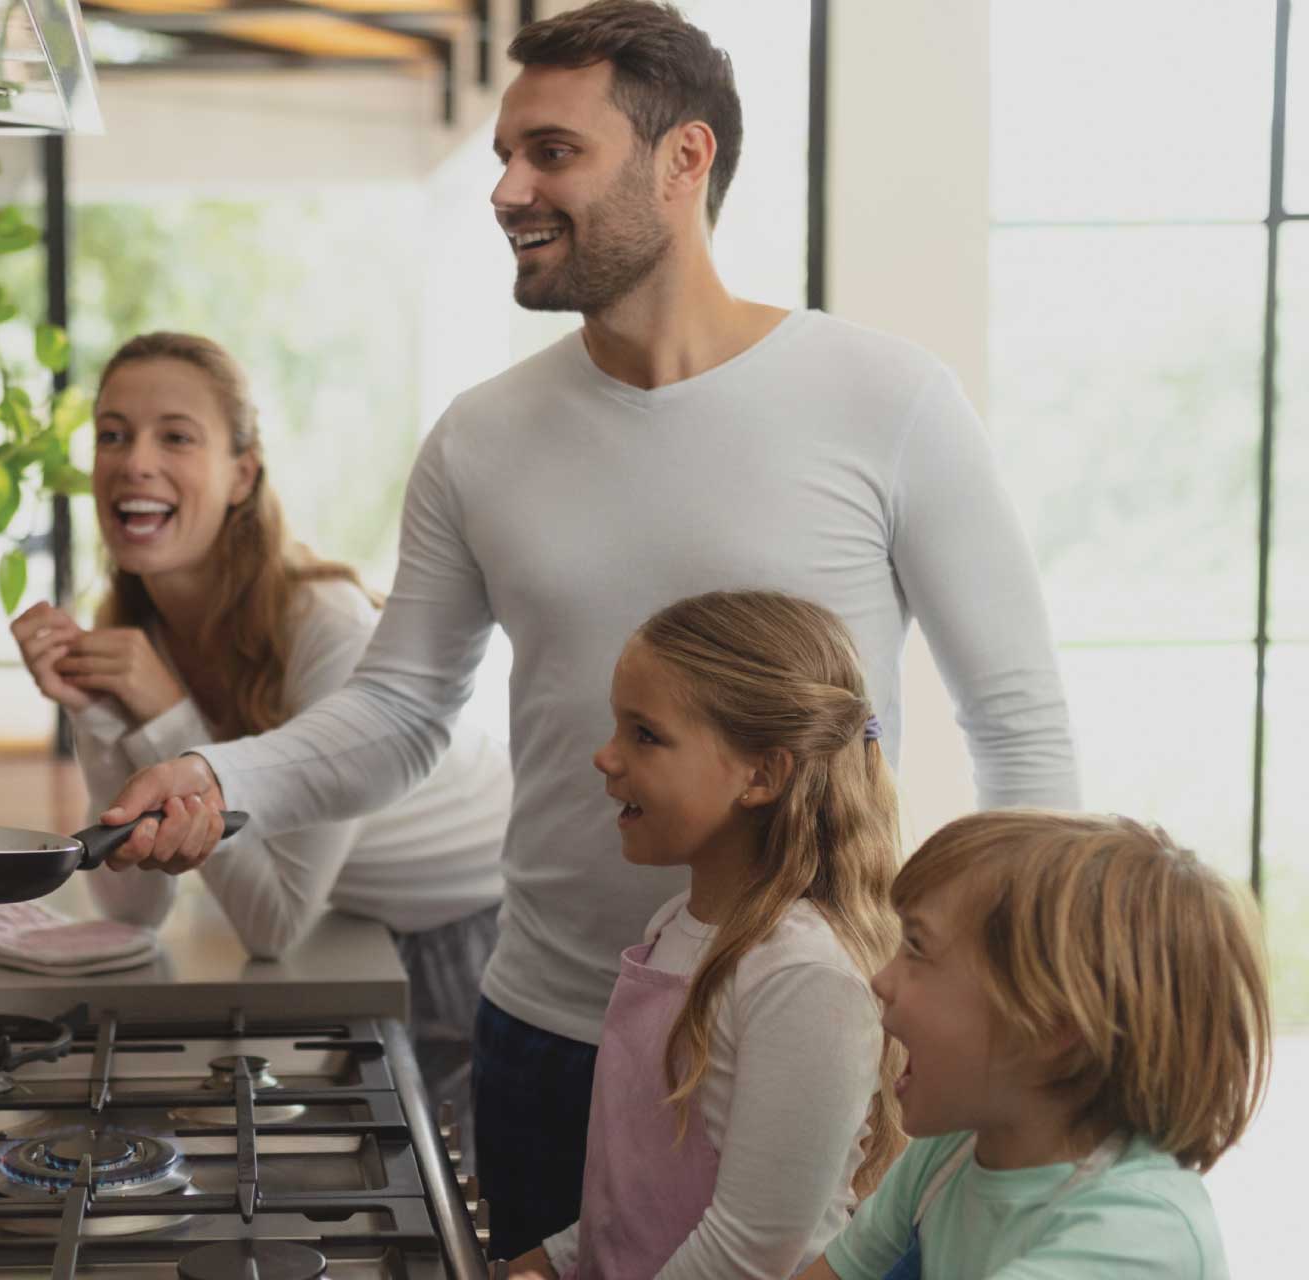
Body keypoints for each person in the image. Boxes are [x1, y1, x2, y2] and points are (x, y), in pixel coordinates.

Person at [95, 0, 1079, 1256]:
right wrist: (216, 778)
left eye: (552, 151)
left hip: (812, 1033)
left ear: (686, 159)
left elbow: (1017, 719)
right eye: (506, 153)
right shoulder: (481, 436)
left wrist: (1024, 993)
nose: (507, 187)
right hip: (553, 1024)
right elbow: (401, 709)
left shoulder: (886, 400)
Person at [9, 331, 512, 1132]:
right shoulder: (141, 629)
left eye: (175, 435)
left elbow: (273, 924)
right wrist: (95, 708)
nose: (133, 460)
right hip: (357, 922)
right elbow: (132, 907)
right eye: (112, 434)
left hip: (472, 932)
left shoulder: (326, 627)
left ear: (243, 474)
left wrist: (168, 713)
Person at [498, 591, 904, 1280]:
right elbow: (641, 1203)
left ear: (763, 774)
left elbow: (747, 1251)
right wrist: (550, 1262)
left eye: (644, 735)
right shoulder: (675, 927)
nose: (605, 756)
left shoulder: (803, 974)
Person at [799, 811, 1270, 1280]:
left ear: (1055, 1026)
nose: (881, 980)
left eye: (918, 948)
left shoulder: (1139, 1234)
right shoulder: (952, 1152)